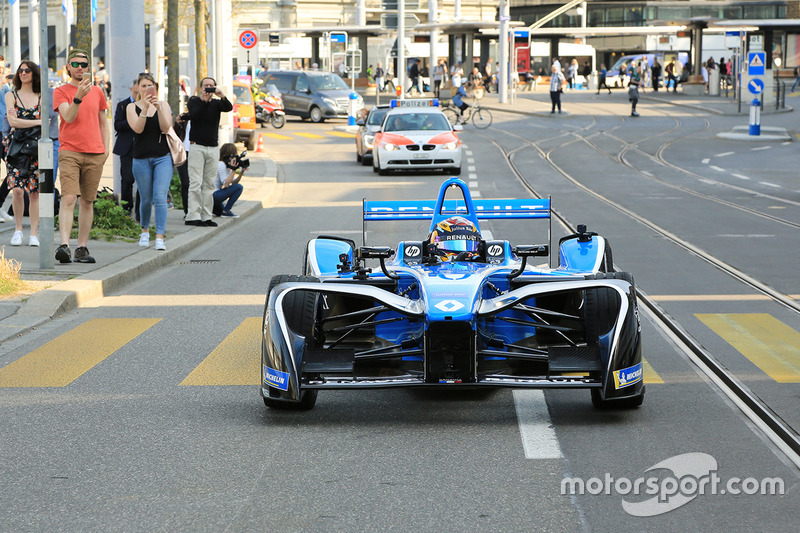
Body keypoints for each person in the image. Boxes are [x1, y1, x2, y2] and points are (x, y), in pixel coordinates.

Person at [53, 48, 110, 264]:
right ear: (67, 67)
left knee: (87, 201)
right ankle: (65, 246)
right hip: (70, 151)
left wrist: (105, 150)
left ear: (89, 68)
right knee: (69, 197)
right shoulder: (61, 91)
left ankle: (82, 247)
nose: (79, 68)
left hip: (95, 152)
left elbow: (103, 122)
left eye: (83, 65)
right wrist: (78, 96)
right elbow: (67, 115)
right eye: (75, 64)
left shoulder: (98, 92)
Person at [126, 73, 173, 251]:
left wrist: (158, 107)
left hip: (162, 157)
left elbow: (166, 127)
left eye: (150, 86)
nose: (147, 89)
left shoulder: (163, 104)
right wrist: (145, 108)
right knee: (145, 198)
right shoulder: (132, 107)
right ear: (138, 88)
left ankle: (160, 236)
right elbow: (137, 129)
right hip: (141, 158)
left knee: (160, 196)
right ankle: (145, 230)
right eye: (143, 86)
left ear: (155, 88)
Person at [4, 60, 43, 246]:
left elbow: (48, 121)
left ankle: (33, 233)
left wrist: (23, 121)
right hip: (16, 148)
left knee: (35, 192)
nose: (23, 73)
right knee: (17, 190)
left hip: (36, 149)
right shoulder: (11, 95)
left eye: (27, 70)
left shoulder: (41, 96)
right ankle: (18, 229)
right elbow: (13, 123)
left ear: (35, 73)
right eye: (21, 71)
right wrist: (37, 122)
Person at [185, 76, 232, 227]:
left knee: (209, 184)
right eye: (206, 86)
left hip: (212, 147)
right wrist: (204, 101)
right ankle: (193, 215)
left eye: (211, 86)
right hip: (197, 146)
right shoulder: (194, 101)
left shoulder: (217, 104)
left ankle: (206, 216)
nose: (208, 89)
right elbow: (195, 115)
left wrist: (221, 95)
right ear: (200, 88)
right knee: (196, 182)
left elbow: (229, 107)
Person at [113, 78, 138, 217]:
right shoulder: (122, 105)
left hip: (142, 147)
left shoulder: (146, 105)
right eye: (135, 92)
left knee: (143, 181)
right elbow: (117, 125)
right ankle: (126, 210)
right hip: (127, 147)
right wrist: (133, 120)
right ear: (131, 90)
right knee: (127, 179)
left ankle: (140, 213)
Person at [213, 143, 244, 218]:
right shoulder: (221, 164)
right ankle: (226, 211)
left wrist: (241, 172)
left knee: (219, 212)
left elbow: (233, 183)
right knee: (239, 187)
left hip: (215, 195)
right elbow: (226, 184)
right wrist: (233, 170)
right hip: (213, 194)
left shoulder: (227, 165)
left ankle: (222, 210)